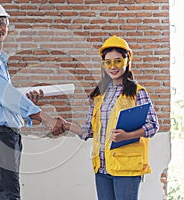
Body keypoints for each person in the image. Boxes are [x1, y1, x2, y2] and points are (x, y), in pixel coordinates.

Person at [0, 1, 63, 199]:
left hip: (4, 136)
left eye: (2, 23)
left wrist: (27, 112)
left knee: (3, 194)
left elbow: (1, 102)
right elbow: (6, 95)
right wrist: (43, 116)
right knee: (6, 195)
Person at [58, 35, 160, 200]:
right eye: (108, 62)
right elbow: (90, 130)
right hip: (102, 168)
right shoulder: (100, 95)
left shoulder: (137, 92)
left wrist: (127, 136)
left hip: (126, 168)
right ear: (103, 65)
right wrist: (65, 124)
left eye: (118, 61)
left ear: (127, 61)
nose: (113, 66)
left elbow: (153, 125)